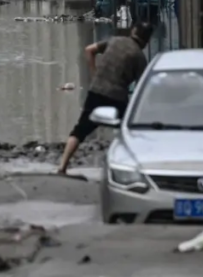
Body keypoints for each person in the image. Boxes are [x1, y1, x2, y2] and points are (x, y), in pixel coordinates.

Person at [56, 22, 154, 175]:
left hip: (97, 90)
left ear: (133, 31)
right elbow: (142, 88)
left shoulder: (114, 41)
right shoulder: (139, 57)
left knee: (80, 129)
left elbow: (89, 50)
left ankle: (62, 167)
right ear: (147, 40)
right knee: (127, 132)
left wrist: (94, 74)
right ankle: (128, 168)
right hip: (118, 97)